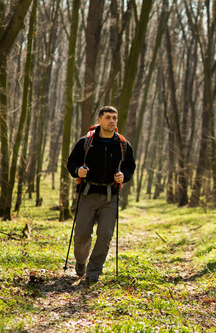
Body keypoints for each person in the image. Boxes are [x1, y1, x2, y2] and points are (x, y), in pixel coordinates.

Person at [67, 106, 135, 284]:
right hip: (88, 194)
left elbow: (130, 167)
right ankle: (81, 262)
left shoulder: (123, 145)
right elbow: (71, 163)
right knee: (82, 234)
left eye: (114, 118)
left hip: (110, 196)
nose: (112, 121)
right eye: (108, 117)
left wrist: (124, 176)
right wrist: (77, 171)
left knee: (105, 235)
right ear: (99, 120)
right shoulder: (85, 142)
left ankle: (94, 270)